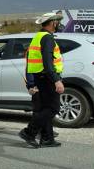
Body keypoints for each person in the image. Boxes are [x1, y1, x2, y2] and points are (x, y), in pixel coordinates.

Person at [19, 12, 64, 148]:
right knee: (53, 108)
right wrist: (56, 80)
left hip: (40, 77)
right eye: (57, 21)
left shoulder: (38, 36)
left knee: (45, 108)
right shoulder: (47, 38)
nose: (58, 24)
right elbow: (48, 63)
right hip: (47, 77)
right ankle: (29, 132)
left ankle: (47, 138)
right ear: (52, 23)